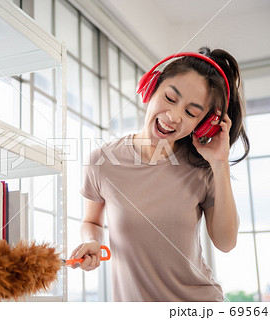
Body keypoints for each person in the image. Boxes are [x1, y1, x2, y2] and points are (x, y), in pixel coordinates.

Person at [69, 47, 250, 302]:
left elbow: (226, 242)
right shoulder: (102, 161)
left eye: (191, 113)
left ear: (203, 124)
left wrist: (220, 163)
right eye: (170, 98)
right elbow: (93, 222)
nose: (174, 116)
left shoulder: (202, 169)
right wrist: (93, 242)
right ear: (150, 87)